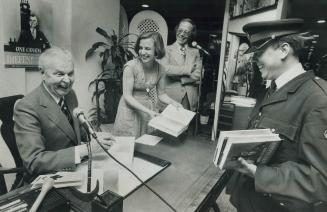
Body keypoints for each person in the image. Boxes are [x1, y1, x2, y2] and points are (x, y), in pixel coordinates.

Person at [226, 18, 327, 212]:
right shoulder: (273, 89)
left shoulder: (319, 99)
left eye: (259, 52)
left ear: (283, 50)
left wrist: (259, 173)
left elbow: (321, 179)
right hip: (249, 201)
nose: (254, 59)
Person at [14, 47, 115, 181]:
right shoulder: (26, 107)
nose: (67, 81)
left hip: (77, 170)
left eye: (71, 73)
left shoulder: (70, 95)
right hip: (49, 180)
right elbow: (34, 161)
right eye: (60, 74)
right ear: (43, 73)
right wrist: (85, 149)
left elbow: (74, 131)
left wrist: (93, 137)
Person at [113, 32, 182, 138]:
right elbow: (127, 96)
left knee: (144, 144)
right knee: (126, 146)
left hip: (147, 110)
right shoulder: (130, 67)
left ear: (157, 50)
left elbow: (162, 94)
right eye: (140, 48)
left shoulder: (161, 69)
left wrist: (174, 103)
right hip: (129, 110)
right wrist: (148, 111)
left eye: (147, 48)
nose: (142, 52)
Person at [160, 18, 203, 111]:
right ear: (176, 30)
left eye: (186, 32)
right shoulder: (166, 50)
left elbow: (198, 74)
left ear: (191, 34)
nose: (182, 34)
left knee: (185, 125)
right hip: (170, 97)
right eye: (180, 30)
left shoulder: (195, 52)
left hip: (189, 97)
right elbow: (166, 69)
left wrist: (181, 79)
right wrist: (188, 69)